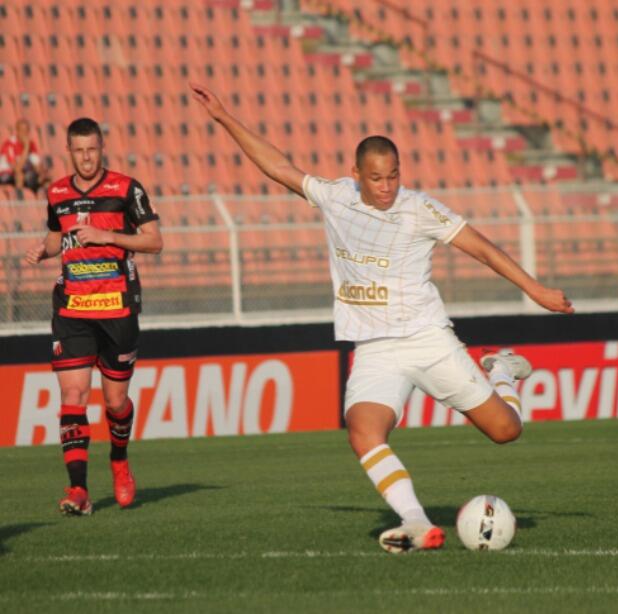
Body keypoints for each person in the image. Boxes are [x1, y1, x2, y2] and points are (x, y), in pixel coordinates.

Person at [191, 82, 574, 552]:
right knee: (362, 432)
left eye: (393, 175)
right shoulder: (335, 197)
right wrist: (223, 117)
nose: (387, 186)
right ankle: (415, 522)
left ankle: (501, 370)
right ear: (356, 174)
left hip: (427, 339)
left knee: (505, 432)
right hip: (375, 349)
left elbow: (482, 248)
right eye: (376, 178)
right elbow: (279, 167)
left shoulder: (419, 209)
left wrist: (534, 289)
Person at [25, 118, 162, 515]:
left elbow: (155, 241)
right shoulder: (57, 192)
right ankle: (79, 490)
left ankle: (119, 460)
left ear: (102, 149)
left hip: (117, 307)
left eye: (92, 150)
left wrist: (108, 237)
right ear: (69, 152)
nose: (86, 158)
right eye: (79, 151)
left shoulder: (127, 189)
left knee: (116, 402)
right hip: (73, 308)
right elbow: (57, 238)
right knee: (73, 395)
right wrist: (43, 250)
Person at [0, 118, 50, 196]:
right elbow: (16, 168)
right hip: (6, 174)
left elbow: (37, 164)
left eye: (26, 131)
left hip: (24, 173)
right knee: (20, 175)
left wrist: (41, 173)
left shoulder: (31, 144)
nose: (24, 133)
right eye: (22, 130)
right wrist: (26, 147)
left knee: (45, 179)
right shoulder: (9, 144)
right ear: (17, 131)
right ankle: (19, 198)